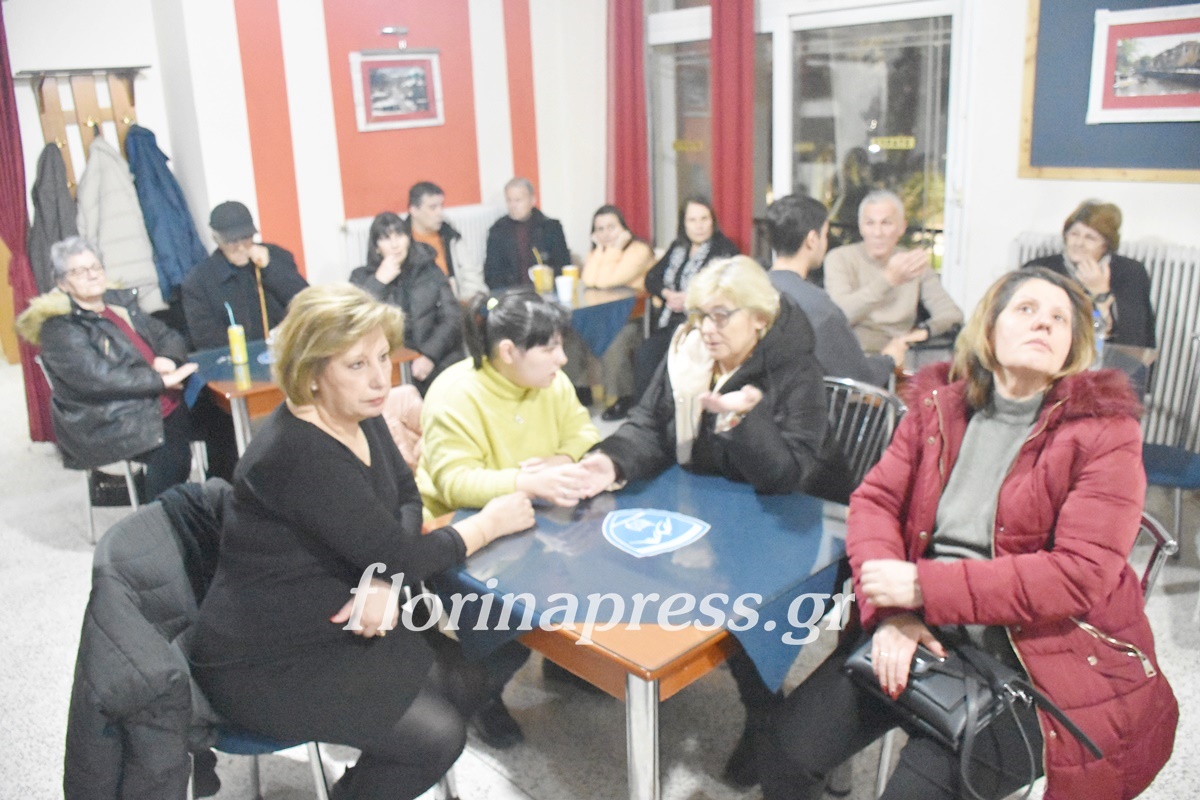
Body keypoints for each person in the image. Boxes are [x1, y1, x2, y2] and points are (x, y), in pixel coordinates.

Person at [762, 268, 1178, 800]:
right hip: (921, 625)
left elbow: (1079, 576)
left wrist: (923, 587)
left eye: (1060, 319)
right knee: (784, 752)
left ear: (1073, 346)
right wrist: (895, 614)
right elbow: (875, 502)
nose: (1044, 324)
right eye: (1026, 309)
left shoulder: (1105, 431)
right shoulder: (940, 407)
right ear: (990, 328)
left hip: (1034, 661)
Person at [190, 284, 535, 800]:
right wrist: (487, 524)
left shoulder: (359, 411)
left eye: (382, 357)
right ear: (311, 372)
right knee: (438, 736)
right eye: (356, 364)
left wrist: (385, 573)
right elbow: (403, 551)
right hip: (265, 659)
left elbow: (406, 495)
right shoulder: (297, 452)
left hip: (334, 618)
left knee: (483, 663)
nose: (380, 378)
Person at [576, 256, 852, 788]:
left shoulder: (796, 369)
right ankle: (628, 663)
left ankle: (764, 712)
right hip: (706, 508)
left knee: (748, 601)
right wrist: (609, 461)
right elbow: (648, 425)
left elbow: (787, 476)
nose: (706, 327)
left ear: (759, 319)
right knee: (613, 547)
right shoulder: (687, 353)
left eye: (722, 315)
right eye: (701, 313)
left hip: (787, 522)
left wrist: (741, 419)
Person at [416, 289, 601, 748]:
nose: (562, 358)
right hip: (468, 533)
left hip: (538, 518)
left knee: (592, 567)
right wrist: (525, 482)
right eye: (550, 347)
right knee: (506, 620)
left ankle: (564, 662)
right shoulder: (455, 392)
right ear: (507, 351)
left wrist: (562, 459)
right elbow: (455, 482)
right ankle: (485, 695)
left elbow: (584, 433)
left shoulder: (552, 383)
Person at [16, 236, 198, 499]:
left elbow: (167, 335)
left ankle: (219, 500)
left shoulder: (118, 304)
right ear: (62, 283)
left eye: (95, 267)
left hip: (153, 400)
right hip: (110, 419)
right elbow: (98, 378)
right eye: (79, 271)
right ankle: (159, 515)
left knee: (222, 415)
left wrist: (169, 359)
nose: (92, 275)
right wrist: (160, 381)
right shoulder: (60, 327)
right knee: (173, 454)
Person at [766, 194, 904, 386]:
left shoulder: (752, 289)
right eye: (825, 234)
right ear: (812, 240)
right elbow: (857, 377)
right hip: (803, 402)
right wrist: (889, 359)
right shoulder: (818, 308)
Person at [824, 189, 962, 355]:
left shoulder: (913, 263)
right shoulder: (840, 258)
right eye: (870, 223)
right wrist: (888, 280)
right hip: (853, 353)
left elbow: (951, 314)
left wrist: (924, 332)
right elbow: (839, 315)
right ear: (861, 228)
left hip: (901, 352)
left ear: (901, 227)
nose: (878, 233)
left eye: (886, 223)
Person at [635, 197, 740, 400]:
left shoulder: (724, 249)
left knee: (673, 359)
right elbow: (651, 278)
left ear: (713, 221)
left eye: (704, 219)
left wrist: (691, 299)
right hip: (669, 322)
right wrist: (667, 294)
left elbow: (726, 289)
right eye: (692, 220)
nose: (699, 226)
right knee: (645, 353)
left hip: (700, 324)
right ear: (684, 223)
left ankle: (672, 411)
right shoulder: (678, 247)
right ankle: (645, 410)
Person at [350, 211, 464, 395]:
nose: (395, 244)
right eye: (386, 238)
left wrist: (429, 356)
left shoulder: (428, 268)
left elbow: (452, 317)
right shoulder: (361, 278)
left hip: (436, 357)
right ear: (377, 247)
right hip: (390, 365)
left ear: (408, 238)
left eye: (400, 235)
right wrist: (379, 282)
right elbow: (355, 321)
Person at [1022, 200, 1155, 348]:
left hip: (1102, 352)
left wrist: (1101, 293)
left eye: (1090, 238)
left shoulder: (1130, 272)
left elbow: (1133, 337)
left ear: (1106, 245)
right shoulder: (1039, 268)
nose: (1079, 243)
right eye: (1074, 234)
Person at [182, 200, 308, 350]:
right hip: (238, 355)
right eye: (232, 241)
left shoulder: (277, 256)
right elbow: (206, 339)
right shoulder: (199, 280)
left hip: (287, 349)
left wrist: (270, 268)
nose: (241, 247)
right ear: (217, 240)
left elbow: (306, 301)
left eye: (246, 237)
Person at [579, 204, 656, 420]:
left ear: (624, 228)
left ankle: (622, 397)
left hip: (633, 316)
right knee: (571, 332)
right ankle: (581, 391)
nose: (606, 234)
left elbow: (607, 281)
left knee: (613, 340)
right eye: (600, 229)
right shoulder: (598, 252)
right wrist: (600, 250)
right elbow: (589, 280)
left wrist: (611, 250)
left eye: (611, 227)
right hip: (602, 315)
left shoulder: (638, 250)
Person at [482, 177, 571, 290]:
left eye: (518, 200)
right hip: (511, 294)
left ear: (532, 200)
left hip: (546, 292)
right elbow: (491, 273)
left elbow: (564, 265)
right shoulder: (498, 231)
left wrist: (549, 275)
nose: (513, 206)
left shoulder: (550, 228)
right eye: (509, 200)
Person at [405, 181, 488, 300]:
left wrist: (468, 301)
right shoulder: (401, 241)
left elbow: (471, 274)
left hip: (455, 302)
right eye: (433, 207)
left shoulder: (450, 235)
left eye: (441, 206)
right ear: (414, 210)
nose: (440, 213)